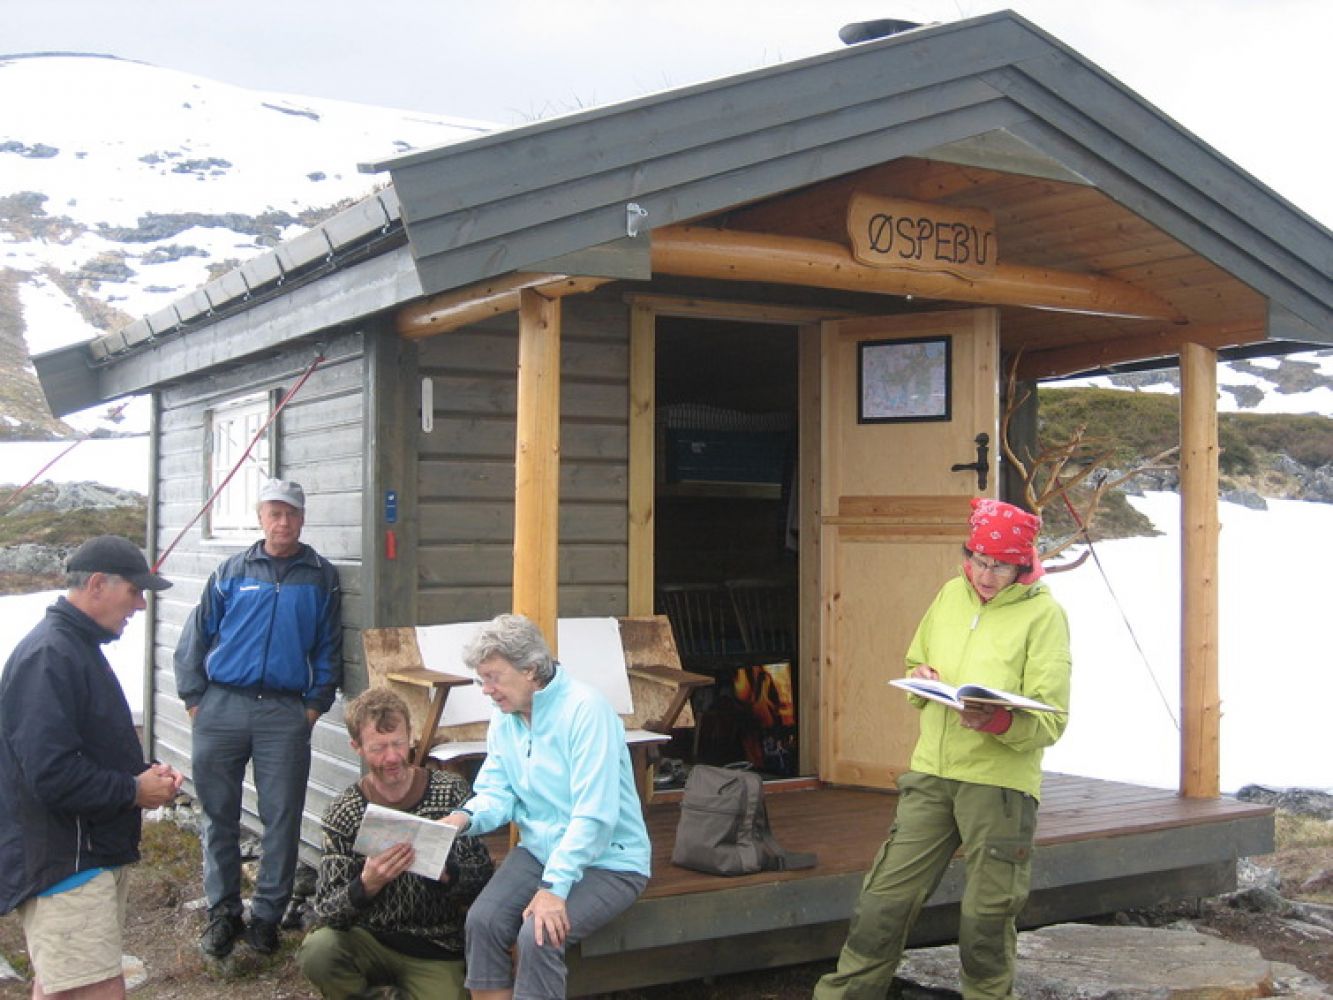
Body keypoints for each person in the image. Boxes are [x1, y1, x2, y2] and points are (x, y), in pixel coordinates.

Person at [814, 498, 1072, 1000]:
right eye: (978, 560)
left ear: (1023, 565)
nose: (986, 575)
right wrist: (922, 677)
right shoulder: (950, 594)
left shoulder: (1045, 615)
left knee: (986, 915)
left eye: (1000, 566)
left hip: (999, 786)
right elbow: (915, 660)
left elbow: (1050, 719)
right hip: (932, 772)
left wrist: (997, 720)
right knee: (885, 898)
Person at [0, 535, 182, 1000]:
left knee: (62, 987)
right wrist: (133, 790)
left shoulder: (74, 648)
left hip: (83, 857)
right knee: (97, 989)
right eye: (134, 591)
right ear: (98, 584)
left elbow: (83, 751)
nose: (140, 605)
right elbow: (50, 774)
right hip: (66, 863)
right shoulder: (50, 655)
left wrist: (145, 775)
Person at [440, 614, 651, 1000]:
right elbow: (498, 791)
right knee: (483, 921)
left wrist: (554, 887)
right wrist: (463, 818)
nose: (486, 690)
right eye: (481, 679)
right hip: (540, 850)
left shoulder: (586, 711)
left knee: (538, 934)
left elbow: (594, 817)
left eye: (493, 677)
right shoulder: (505, 718)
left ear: (530, 670)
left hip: (610, 860)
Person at [174, 479, 343, 959]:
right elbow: (196, 637)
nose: (282, 522)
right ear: (260, 517)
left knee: (282, 818)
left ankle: (267, 918)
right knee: (218, 815)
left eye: (290, 514)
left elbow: (328, 648)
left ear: (302, 519)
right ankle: (222, 913)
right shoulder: (231, 571)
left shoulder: (321, 576)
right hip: (222, 705)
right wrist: (195, 699)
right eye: (274, 513)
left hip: (284, 712)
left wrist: (313, 706)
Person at [297, 688, 493, 999]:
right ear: (357, 747)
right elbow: (327, 910)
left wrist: (448, 874)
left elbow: (483, 876)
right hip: (370, 939)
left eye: (398, 744)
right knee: (318, 951)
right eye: (378, 748)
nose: (391, 757)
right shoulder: (346, 811)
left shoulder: (449, 792)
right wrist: (366, 885)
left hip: (435, 946)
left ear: (411, 736)